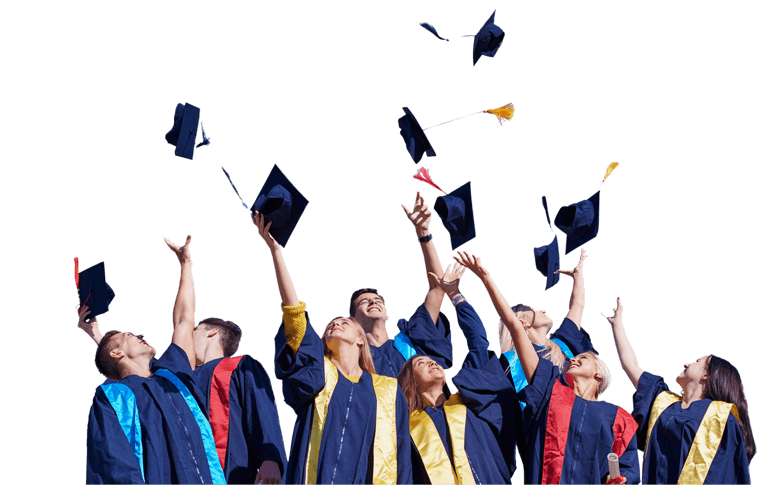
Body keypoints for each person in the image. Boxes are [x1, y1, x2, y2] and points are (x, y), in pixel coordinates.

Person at [254, 211, 413, 485]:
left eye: (343, 321)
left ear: (361, 339)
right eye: (329, 324)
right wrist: (275, 251)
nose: (334, 324)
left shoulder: (388, 390)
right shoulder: (318, 374)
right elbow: (295, 314)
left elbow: (401, 458)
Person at [460, 252, 640, 485]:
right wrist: (485, 279)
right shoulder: (544, 385)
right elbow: (513, 327)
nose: (574, 359)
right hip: (540, 425)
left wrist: (579, 276)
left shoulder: (618, 416)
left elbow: (628, 465)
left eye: (583, 358)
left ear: (599, 372)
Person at [81, 234, 226, 485]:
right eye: (131, 335)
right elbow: (114, 465)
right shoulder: (112, 397)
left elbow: (184, 320)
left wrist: (186, 265)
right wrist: (99, 337)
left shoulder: (172, 376)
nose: (141, 335)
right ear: (117, 353)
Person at [152, 235, 287, 485]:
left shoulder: (239, 366)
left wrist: (270, 459)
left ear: (212, 332)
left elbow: (262, 412)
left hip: (230, 470)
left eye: (195, 330)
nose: (187, 336)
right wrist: (97, 335)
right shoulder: (176, 375)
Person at [605, 297, 754, 484]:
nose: (686, 363)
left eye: (697, 361)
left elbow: (727, 475)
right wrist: (617, 325)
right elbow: (631, 366)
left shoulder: (721, 417)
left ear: (707, 375)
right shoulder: (663, 402)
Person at [398, 262, 518, 484]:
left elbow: (479, 344)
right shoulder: (406, 427)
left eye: (433, 360)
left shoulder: (470, 402)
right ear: (410, 382)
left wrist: (455, 294)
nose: (432, 363)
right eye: (421, 363)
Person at [454, 249, 595, 402]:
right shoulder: (511, 363)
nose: (543, 310)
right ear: (522, 322)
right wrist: (485, 278)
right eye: (532, 310)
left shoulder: (562, 344)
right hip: (547, 421)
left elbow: (577, 306)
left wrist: (578, 276)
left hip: (583, 413)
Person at [348, 191, 453, 378]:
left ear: (387, 315)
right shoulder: (351, 357)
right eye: (364, 302)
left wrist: (424, 233)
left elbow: (438, 287)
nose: (373, 302)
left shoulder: (411, 343)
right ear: (353, 321)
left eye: (377, 300)